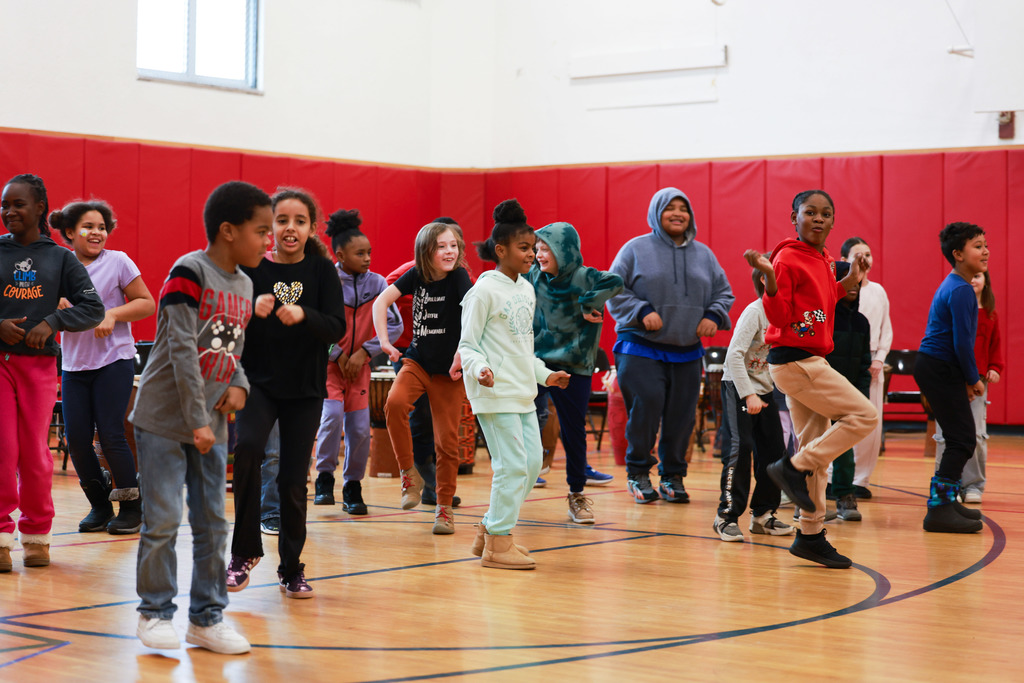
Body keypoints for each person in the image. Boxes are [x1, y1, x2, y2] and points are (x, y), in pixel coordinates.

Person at [130, 180, 271, 653]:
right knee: (164, 520)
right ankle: (154, 613)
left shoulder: (247, 284)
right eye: (261, 231)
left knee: (213, 523)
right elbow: (182, 349)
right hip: (167, 421)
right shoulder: (188, 272)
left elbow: (233, 351)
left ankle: (207, 619)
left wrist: (240, 385)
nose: (267, 240)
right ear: (228, 231)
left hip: (210, 423)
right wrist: (197, 421)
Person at [746, 189, 875, 569]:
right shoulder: (786, 258)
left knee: (816, 448)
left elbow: (820, 302)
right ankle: (791, 468)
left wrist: (849, 279)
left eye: (826, 213)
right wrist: (769, 281)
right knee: (864, 416)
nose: (818, 219)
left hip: (807, 359)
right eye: (810, 212)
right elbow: (781, 316)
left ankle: (810, 534)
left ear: (833, 221)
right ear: (794, 217)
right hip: (797, 362)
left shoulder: (823, 259)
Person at [226, 188, 346, 598]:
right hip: (258, 385)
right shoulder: (251, 269)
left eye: (299, 221)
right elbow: (229, 327)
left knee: (294, 481)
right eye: (281, 220)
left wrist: (305, 315)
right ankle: (243, 552)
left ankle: (291, 566)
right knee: (248, 451)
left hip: (305, 391)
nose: (290, 228)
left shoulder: (321, 272)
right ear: (268, 227)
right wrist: (248, 311)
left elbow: (335, 327)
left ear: (311, 227)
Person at [1, 173, 105, 574]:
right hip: (0, 364)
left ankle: (37, 536)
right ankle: (0, 538)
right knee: (3, 451)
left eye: (18, 204)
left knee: (35, 454)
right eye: (4, 204)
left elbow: (92, 307)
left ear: (40, 208)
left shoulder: (61, 258)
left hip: (39, 367)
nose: (9, 211)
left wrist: (54, 321)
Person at [459, 199, 570, 569]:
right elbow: (468, 345)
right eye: (525, 247)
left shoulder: (525, 289)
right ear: (501, 250)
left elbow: (523, 348)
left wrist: (545, 375)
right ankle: (499, 543)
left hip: (523, 390)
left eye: (534, 247)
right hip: (493, 392)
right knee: (512, 467)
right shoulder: (482, 291)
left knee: (533, 462)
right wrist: (478, 370)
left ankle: (490, 528)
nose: (532, 253)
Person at [607, 187, 734, 504]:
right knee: (647, 405)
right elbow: (612, 289)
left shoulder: (704, 254)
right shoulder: (634, 249)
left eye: (684, 208)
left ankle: (672, 476)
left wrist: (713, 315)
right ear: (656, 212)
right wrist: (641, 311)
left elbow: (723, 293)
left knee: (682, 417)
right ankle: (638, 472)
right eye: (670, 208)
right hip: (640, 347)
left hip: (687, 350)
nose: (678, 213)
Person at [53, 200, 155, 535]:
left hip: (115, 360)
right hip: (74, 365)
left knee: (111, 434)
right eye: (88, 227)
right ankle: (99, 505)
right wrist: (53, 302)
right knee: (78, 438)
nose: (97, 233)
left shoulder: (119, 262)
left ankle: (131, 506)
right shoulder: (60, 266)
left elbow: (146, 303)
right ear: (70, 232)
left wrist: (112, 314)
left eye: (102, 227)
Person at [373, 221, 471, 534]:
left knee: (447, 444)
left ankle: (443, 509)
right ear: (426, 251)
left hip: (448, 372)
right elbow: (381, 302)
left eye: (453, 245)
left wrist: (463, 352)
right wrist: (385, 342)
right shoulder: (416, 274)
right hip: (417, 361)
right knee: (394, 404)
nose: (449, 251)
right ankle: (408, 474)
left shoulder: (458, 276)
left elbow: (471, 312)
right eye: (442, 246)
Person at [525, 221, 622, 524]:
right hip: (536, 364)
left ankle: (576, 493)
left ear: (564, 250)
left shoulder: (585, 276)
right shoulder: (532, 276)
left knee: (573, 431)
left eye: (546, 249)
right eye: (537, 249)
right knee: (521, 423)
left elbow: (615, 281)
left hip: (574, 366)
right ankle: (515, 487)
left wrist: (588, 302)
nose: (539, 255)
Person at [313, 208, 402, 513]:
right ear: (340, 254)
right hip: (328, 368)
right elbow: (313, 324)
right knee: (331, 418)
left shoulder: (377, 284)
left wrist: (365, 352)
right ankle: (324, 477)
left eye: (369, 252)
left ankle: (353, 486)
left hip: (360, 369)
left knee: (360, 429)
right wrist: (337, 354)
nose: (367, 258)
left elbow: (395, 325)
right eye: (360, 253)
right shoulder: (325, 281)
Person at [914, 222, 988, 533]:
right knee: (961, 439)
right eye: (977, 246)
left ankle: (946, 501)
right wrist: (973, 378)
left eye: (985, 244)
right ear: (957, 254)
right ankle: (939, 508)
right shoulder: (960, 290)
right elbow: (961, 342)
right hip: (938, 366)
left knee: (961, 438)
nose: (985, 251)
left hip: (940, 367)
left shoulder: (959, 286)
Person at [713, 260, 794, 542]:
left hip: (764, 389)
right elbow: (733, 355)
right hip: (738, 387)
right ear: (764, 280)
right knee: (741, 447)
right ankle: (726, 516)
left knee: (773, 451)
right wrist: (748, 393)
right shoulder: (754, 312)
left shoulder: (784, 313)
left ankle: (762, 515)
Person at [934, 270, 1001, 504]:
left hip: (977, 383)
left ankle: (973, 485)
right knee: (945, 435)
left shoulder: (990, 314)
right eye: (970, 276)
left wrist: (995, 368)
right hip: (952, 380)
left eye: (979, 276)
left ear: (986, 282)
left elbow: (995, 347)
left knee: (976, 435)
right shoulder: (955, 306)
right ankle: (946, 485)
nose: (974, 279)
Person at [840, 237, 892, 499]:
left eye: (868, 254)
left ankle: (861, 479)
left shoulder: (878, 291)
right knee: (839, 420)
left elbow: (886, 330)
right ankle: (832, 478)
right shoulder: (840, 290)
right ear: (844, 260)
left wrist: (879, 359)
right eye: (857, 255)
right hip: (843, 360)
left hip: (871, 363)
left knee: (870, 422)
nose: (864, 259)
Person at [824, 261, 872, 522]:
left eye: (854, 278)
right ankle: (808, 499)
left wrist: (861, 396)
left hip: (848, 395)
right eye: (844, 278)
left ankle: (844, 496)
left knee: (844, 448)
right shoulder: (824, 316)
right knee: (811, 446)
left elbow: (864, 364)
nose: (852, 284)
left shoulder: (862, 322)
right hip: (820, 392)